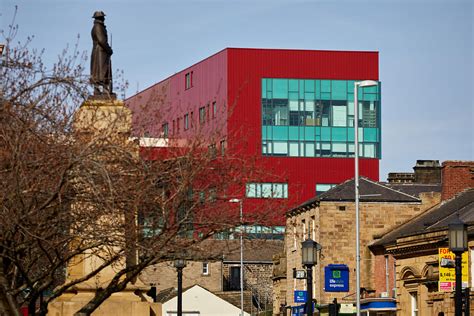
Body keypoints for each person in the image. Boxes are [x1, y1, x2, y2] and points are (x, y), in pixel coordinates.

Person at [90, 11, 113, 96]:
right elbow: (101, 40)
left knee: (100, 71)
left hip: (100, 52)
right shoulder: (98, 27)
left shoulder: (98, 26)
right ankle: (102, 89)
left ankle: (102, 89)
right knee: (101, 71)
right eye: (103, 17)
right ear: (100, 18)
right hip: (100, 52)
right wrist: (109, 49)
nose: (104, 18)